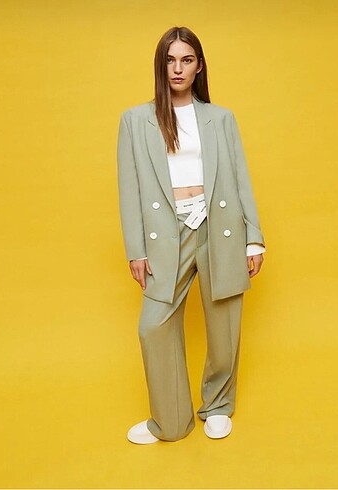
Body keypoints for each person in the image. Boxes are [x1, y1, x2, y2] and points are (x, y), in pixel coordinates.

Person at [117, 26, 266, 444]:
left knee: (223, 325)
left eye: (186, 60)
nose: (178, 68)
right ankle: (170, 420)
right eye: (170, 60)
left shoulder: (221, 118)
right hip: (165, 232)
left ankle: (217, 405)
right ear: (160, 65)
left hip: (219, 226)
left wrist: (253, 237)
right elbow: (129, 187)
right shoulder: (135, 120)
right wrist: (136, 249)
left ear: (199, 66)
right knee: (154, 326)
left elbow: (239, 176)